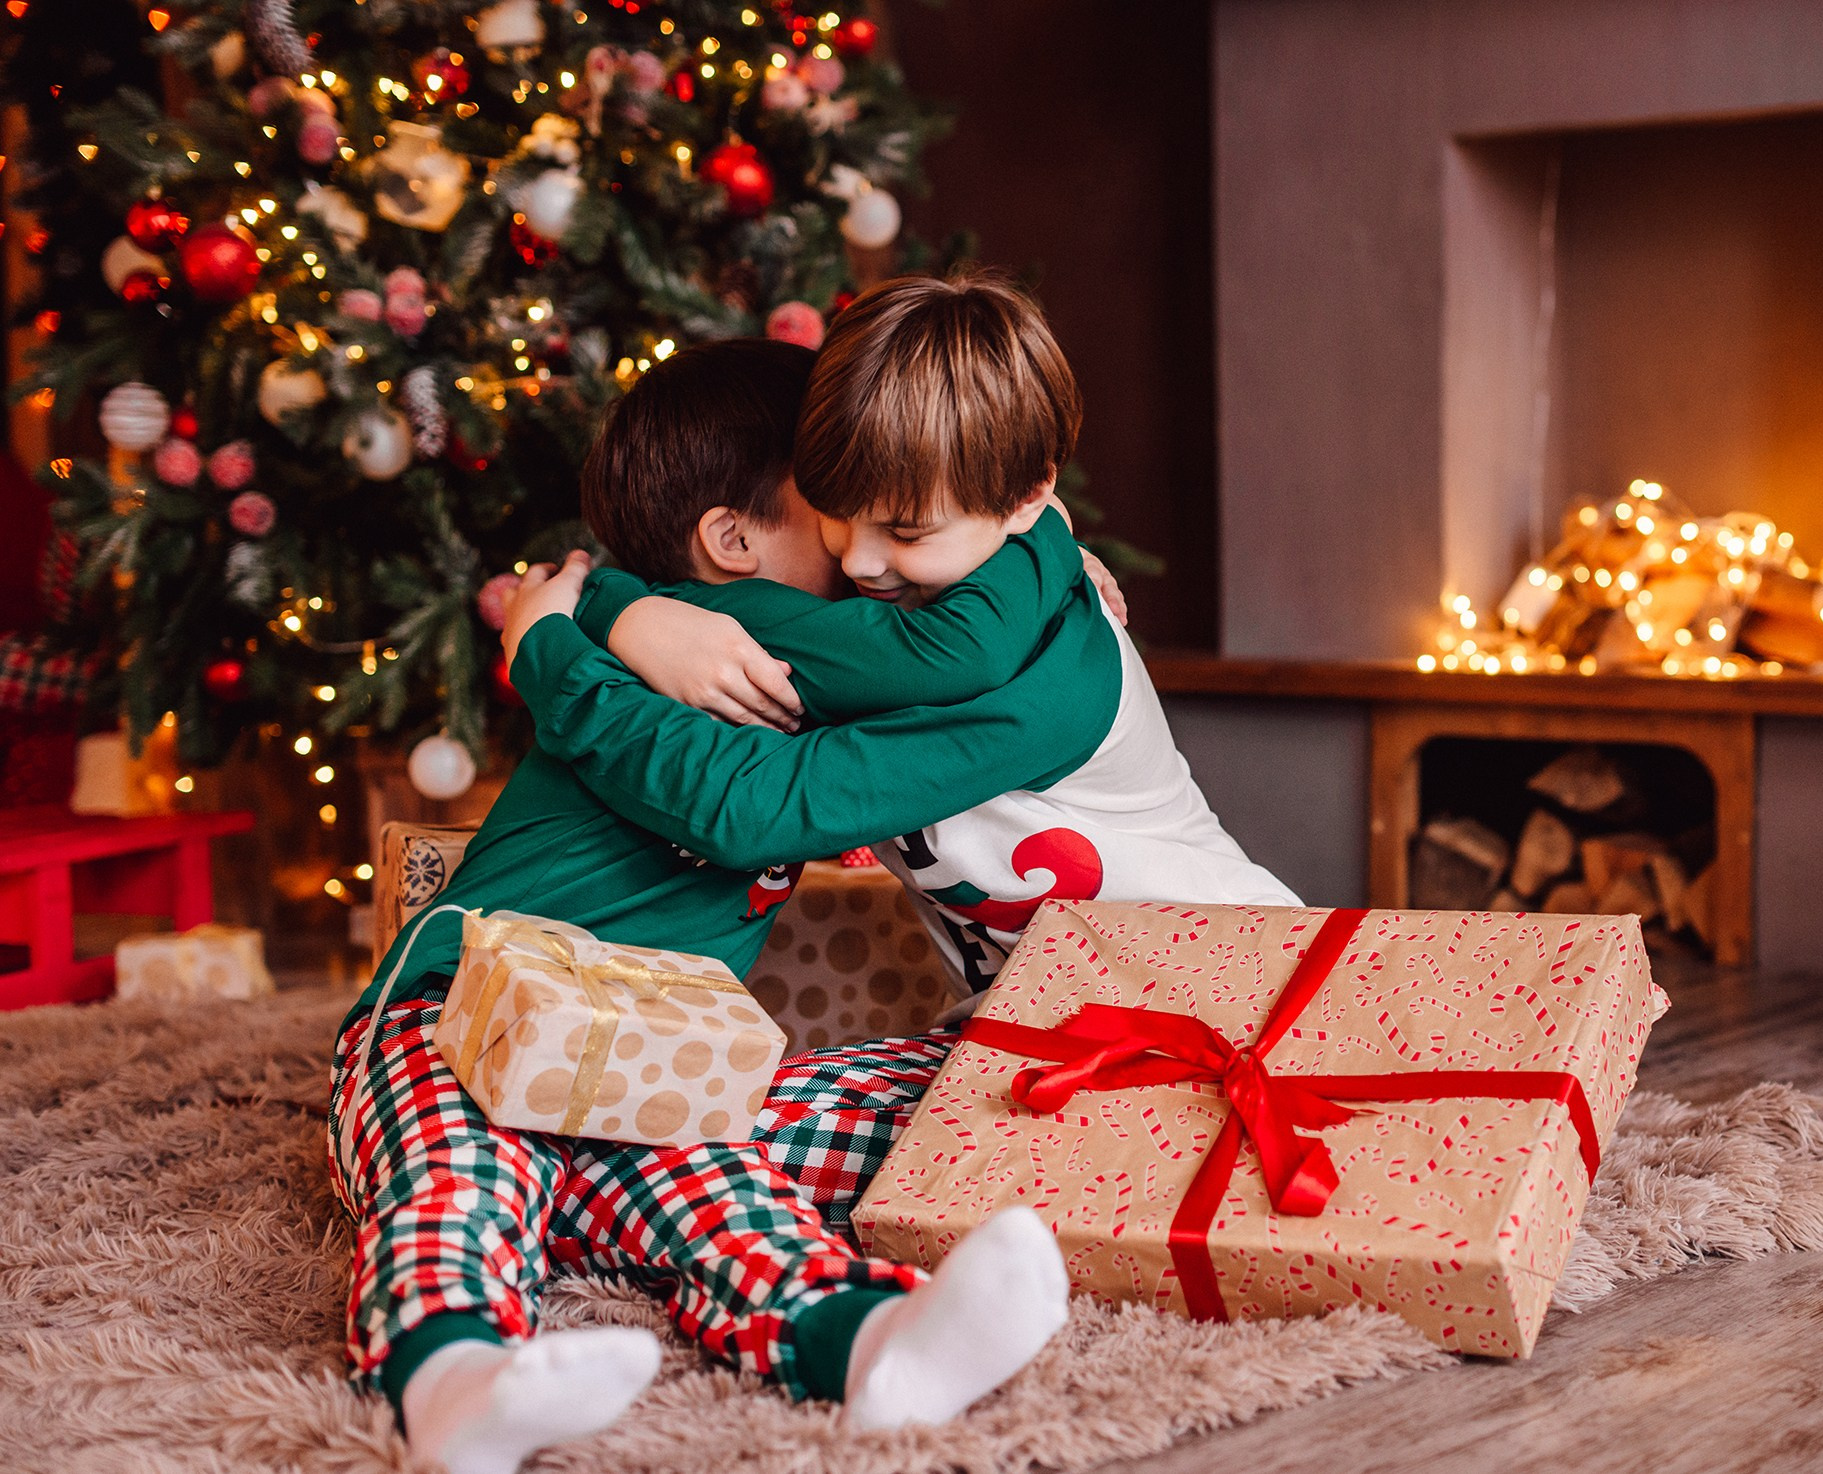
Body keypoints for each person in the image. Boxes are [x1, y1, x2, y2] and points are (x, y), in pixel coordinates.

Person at [332, 337, 1101, 1474]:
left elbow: (959, 645)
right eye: (831, 500)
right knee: (459, 1167)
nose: (860, 541)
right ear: (735, 542)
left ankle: (866, 1342)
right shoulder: (697, 659)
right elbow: (772, 777)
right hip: (458, 1008)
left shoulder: (778, 650)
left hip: (649, 1046)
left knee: (718, 1180)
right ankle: (449, 1376)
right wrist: (579, 626)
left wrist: (1044, 539)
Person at [535, 270, 1301, 1240]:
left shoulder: (1033, 676)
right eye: (836, 512)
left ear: (1025, 497)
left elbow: (758, 806)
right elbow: (782, 613)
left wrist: (591, 620)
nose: (859, 561)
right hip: (1037, 1033)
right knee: (681, 1129)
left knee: (685, 1146)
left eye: (902, 531)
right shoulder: (897, 600)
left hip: (1231, 1010)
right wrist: (629, 610)